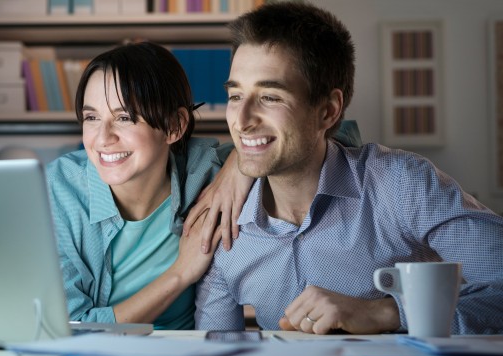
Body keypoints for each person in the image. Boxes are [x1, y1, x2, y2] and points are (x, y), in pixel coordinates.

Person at [195, 2, 503, 335]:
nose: (240, 122)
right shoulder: (221, 223)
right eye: (236, 95)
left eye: (270, 97)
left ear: (328, 111)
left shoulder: (400, 185)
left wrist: (387, 313)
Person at [46, 42, 249, 330]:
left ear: (174, 126)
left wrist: (237, 168)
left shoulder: (203, 172)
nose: (103, 138)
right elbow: (68, 327)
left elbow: (327, 133)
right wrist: (179, 274)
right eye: (92, 118)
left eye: (124, 118)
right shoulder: (59, 189)